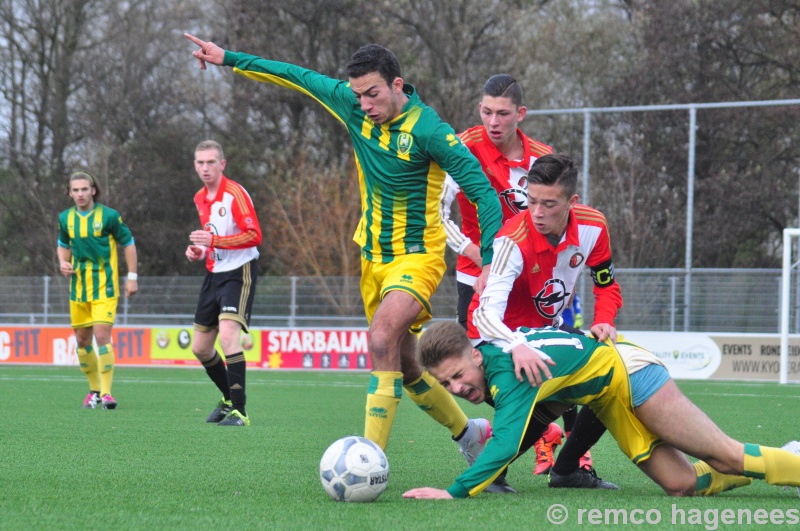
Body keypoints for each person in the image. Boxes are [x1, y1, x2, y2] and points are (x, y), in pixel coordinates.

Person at [184, 35, 508, 484]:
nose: (365, 104)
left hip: (417, 256)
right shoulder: (353, 105)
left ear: (397, 84)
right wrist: (230, 59)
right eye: (358, 95)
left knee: (380, 339)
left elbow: (482, 192)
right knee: (408, 365)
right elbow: (295, 76)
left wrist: (490, 258)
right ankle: (469, 434)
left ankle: (369, 462)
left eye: (373, 94)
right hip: (371, 258)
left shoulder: (430, 129)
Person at [403, 321, 800, 499]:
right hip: (608, 398)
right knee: (682, 485)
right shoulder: (491, 356)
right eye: (445, 385)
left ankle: (787, 464)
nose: (456, 389)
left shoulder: (508, 373)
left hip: (631, 374)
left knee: (725, 455)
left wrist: (453, 492)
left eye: (457, 376)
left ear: (474, 355)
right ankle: (784, 458)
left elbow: (506, 441)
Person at [468, 153, 622, 478]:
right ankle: (531, 438)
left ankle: (568, 465)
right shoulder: (512, 239)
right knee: (515, 413)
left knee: (612, 373)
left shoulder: (595, 226)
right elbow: (486, 314)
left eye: (549, 204)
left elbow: (606, 285)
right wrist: (515, 345)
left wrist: (604, 319)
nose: (536, 213)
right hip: (496, 332)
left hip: (545, 331)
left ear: (572, 201)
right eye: (531, 201)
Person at [439, 74, 553, 329]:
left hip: (529, 275)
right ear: (480, 109)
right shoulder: (461, 148)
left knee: (533, 353)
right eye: (487, 112)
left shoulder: (543, 157)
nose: (493, 122)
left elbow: (559, 218)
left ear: (520, 113)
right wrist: (476, 254)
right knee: (476, 358)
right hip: (476, 270)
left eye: (503, 113)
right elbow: (436, 213)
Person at [186, 140, 262, 427]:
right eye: (200, 163)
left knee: (229, 336)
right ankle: (229, 398)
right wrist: (199, 251)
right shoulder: (199, 198)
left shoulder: (234, 193)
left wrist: (213, 241)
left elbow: (254, 235)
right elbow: (211, 239)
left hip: (238, 271)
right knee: (201, 347)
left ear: (222, 164)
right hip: (214, 272)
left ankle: (240, 412)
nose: (205, 168)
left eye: (211, 162)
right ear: (195, 165)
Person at [57, 171, 138, 410]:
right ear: (70, 193)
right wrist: (63, 262)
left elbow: (129, 243)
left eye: (84, 189)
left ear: (93, 190)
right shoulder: (65, 219)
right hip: (78, 290)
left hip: (105, 287)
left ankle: (107, 393)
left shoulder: (109, 216)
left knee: (102, 337)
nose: (80, 194)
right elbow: (63, 246)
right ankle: (94, 390)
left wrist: (132, 277)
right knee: (82, 341)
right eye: (75, 190)